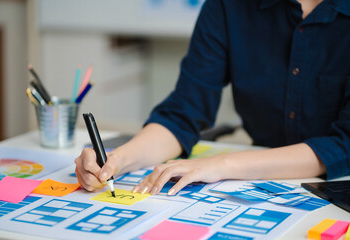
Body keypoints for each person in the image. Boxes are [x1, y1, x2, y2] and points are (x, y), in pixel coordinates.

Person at [75, 0, 350, 196]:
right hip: (261, 186)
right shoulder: (227, 6)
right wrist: (117, 160)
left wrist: (222, 165)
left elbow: (345, 144)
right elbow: (183, 112)